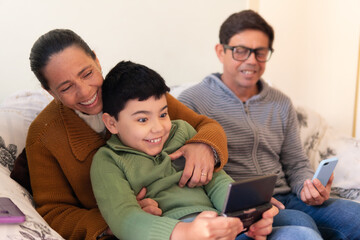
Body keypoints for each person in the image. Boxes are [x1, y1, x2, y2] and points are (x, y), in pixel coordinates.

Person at [26, 29, 229, 240]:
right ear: (49, 91)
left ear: (96, 60)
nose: (85, 92)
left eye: (87, 74)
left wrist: (204, 146)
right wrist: (116, 220)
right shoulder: (43, 136)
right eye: (66, 87)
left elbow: (206, 126)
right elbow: (53, 212)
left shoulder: (136, 94)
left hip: (200, 216)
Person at [178, 9, 360, 240]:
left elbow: (296, 163)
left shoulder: (281, 102)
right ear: (220, 51)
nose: (252, 61)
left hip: (288, 198)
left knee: (356, 216)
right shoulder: (191, 102)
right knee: (301, 226)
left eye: (260, 52)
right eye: (240, 51)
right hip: (240, 206)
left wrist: (309, 185)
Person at [91, 60, 320, 240]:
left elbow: (218, 182)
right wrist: (187, 233)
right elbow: (124, 219)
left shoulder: (182, 132)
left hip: (221, 222)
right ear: (111, 123)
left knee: (302, 225)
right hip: (177, 232)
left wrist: (248, 215)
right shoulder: (108, 160)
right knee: (301, 233)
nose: (158, 128)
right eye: (142, 120)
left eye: (162, 114)